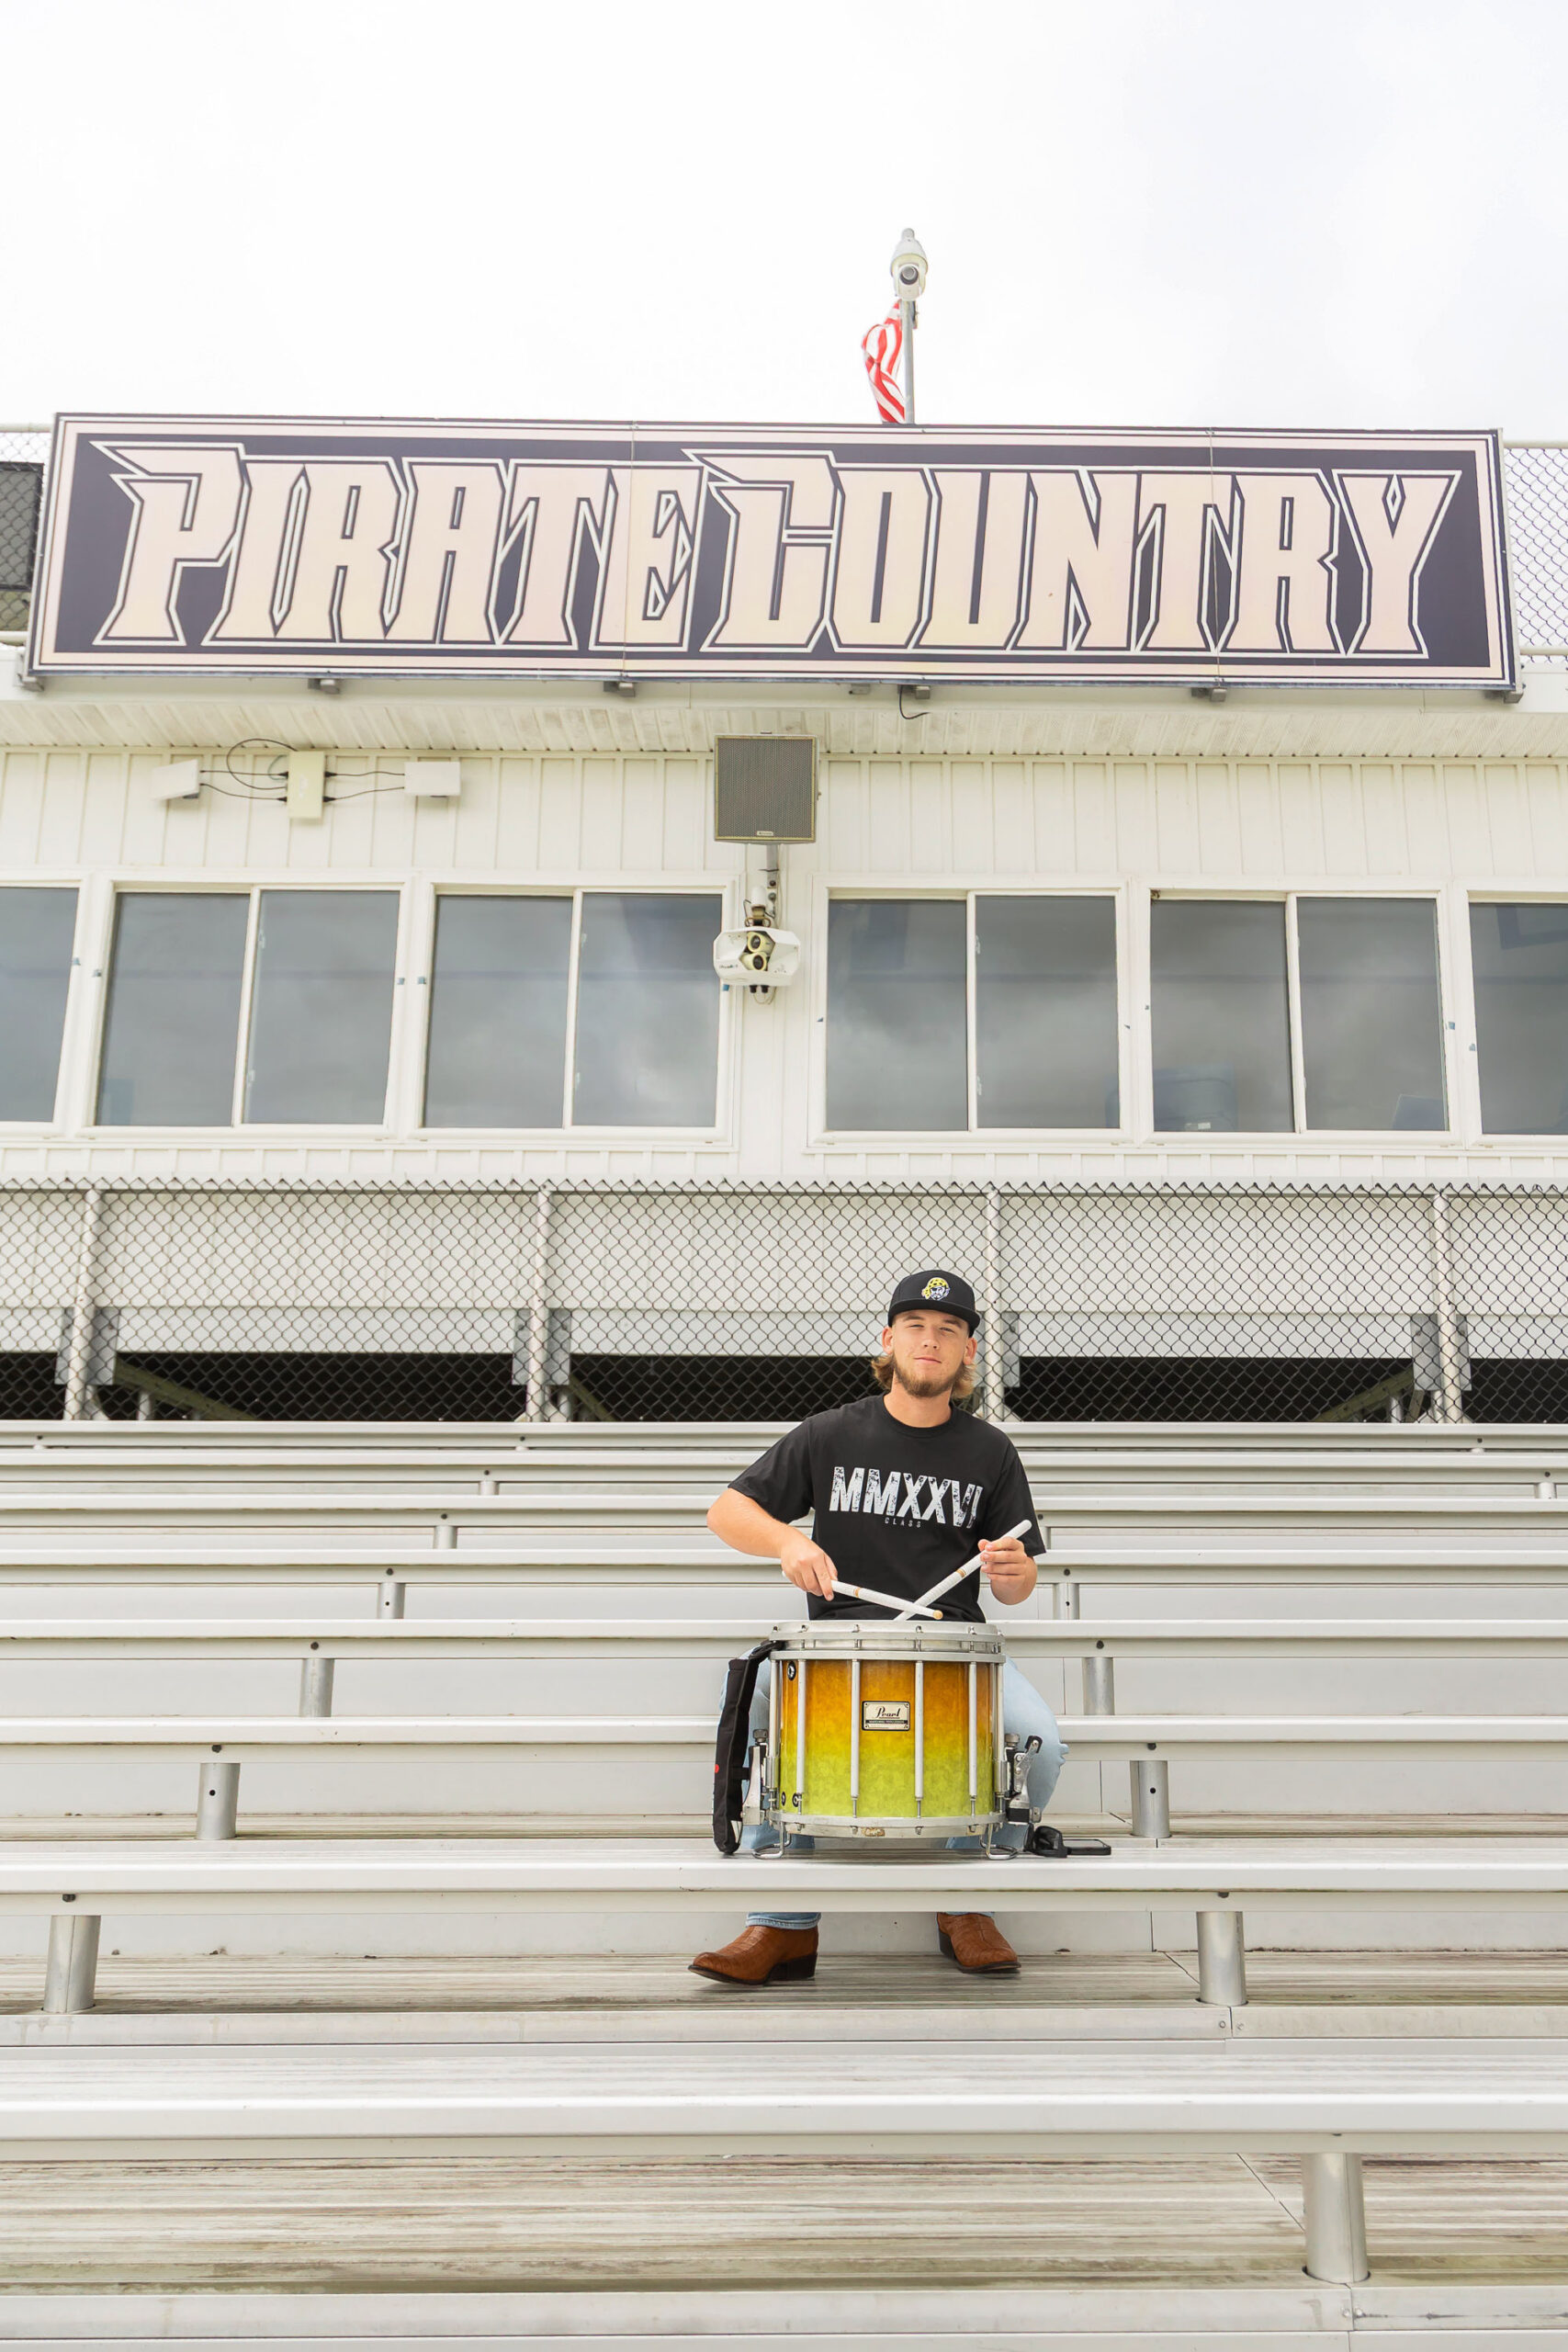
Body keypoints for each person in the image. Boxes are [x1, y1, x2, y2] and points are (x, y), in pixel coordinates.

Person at [691, 1268, 1066, 1986]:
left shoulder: (990, 1453)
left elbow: (1017, 1585)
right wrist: (789, 1543)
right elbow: (726, 1511)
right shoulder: (832, 1433)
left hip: (950, 1647)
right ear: (888, 1341)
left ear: (968, 1354)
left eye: (948, 1332)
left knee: (1041, 1744)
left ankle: (964, 1902)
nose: (931, 1342)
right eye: (916, 1329)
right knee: (755, 1707)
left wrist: (1015, 1574)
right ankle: (781, 1925)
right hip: (836, 1645)